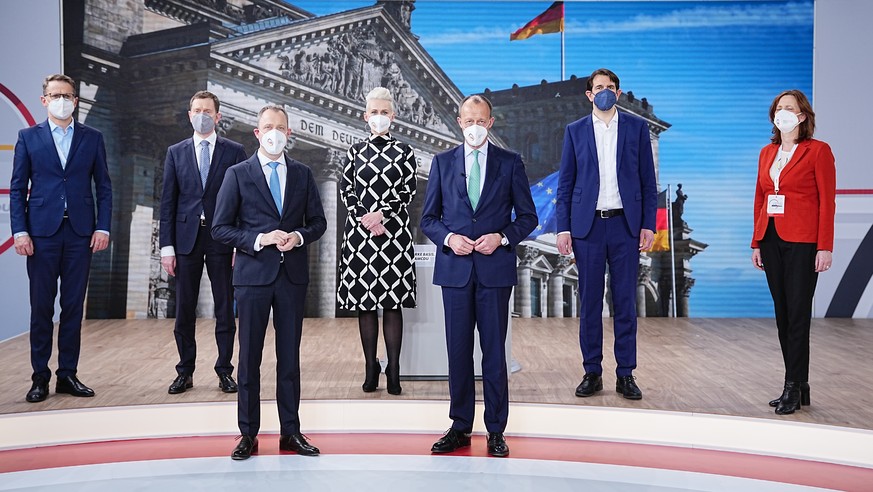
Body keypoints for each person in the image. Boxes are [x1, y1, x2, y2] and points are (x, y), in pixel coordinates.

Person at [421, 94, 537, 457]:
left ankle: (496, 430)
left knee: (493, 354)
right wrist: (450, 238)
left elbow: (527, 217)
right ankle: (459, 427)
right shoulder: (442, 163)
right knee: (457, 353)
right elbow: (428, 219)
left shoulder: (510, 162)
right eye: (468, 120)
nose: (474, 126)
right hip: (455, 272)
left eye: (480, 120)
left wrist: (501, 238)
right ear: (459, 122)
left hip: (494, 272)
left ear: (490, 123)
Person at [212, 104, 327, 460]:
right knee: (249, 359)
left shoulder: (304, 174)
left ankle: (291, 432)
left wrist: (299, 236)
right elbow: (220, 228)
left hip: (291, 277)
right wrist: (260, 239)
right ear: (257, 133)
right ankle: (248, 434)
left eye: (281, 127)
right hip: (252, 278)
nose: (274, 132)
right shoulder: (237, 174)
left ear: (288, 133)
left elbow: (318, 222)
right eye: (268, 127)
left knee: (289, 358)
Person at [555, 68, 657, 401]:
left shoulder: (637, 128)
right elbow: (566, 183)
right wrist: (563, 227)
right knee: (590, 303)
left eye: (610, 87)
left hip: (625, 226)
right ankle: (592, 371)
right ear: (589, 94)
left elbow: (647, 181)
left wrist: (648, 224)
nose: (605, 92)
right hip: (588, 227)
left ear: (618, 91)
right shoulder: (575, 131)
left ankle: (626, 373)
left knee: (625, 302)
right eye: (599, 87)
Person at [10, 74, 112, 403]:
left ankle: (67, 374)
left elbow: (105, 187)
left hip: (81, 234)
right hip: (41, 235)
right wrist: (20, 231)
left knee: (71, 307)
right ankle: (39, 376)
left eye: (67, 95)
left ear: (76, 100)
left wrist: (103, 227)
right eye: (56, 95)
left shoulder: (92, 138)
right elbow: (16, 189)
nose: (62, 100)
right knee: (41, 307)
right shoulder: (28, 137)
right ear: (44, 100)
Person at [751, 89, 835, 415]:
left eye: (790, 108)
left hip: (803, 242)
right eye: (779, 108)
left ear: (802, 116)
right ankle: (799, 383)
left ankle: (792, 386)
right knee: (783, 315)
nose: (783, 112)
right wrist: (756, 241)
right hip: (771, 239)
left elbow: (827, 202)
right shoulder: (766, 153)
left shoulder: (818, 151)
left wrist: (824, 246)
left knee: (798, 316)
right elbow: (760, 198)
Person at [160, 91, 247, 395]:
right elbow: (167, 202)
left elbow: (244, 200)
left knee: (224, 307)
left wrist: (241, 243)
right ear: (189, 114)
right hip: (186, 241)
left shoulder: (234, 151)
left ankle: (224, 370)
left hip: (223, 239)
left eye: (207, 110)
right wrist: (166, 248)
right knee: (185, 308)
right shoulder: (176, 152)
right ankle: (185, 371)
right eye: (196, 109)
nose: (202, 114)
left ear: (217, 116)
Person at [338, 87, 417, 395]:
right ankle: (371, 366)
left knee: (392, 304)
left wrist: (383, 214)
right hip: (361, 236)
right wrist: (367, 217)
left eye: (385, 113)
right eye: (374, 113)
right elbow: (347, 191)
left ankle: (394, 369)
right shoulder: (354, 151)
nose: (379, 117)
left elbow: (408, 191)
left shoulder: (405, 151)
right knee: (366, 304)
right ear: (365, 116)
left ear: (393, 117)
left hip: (394, 234)